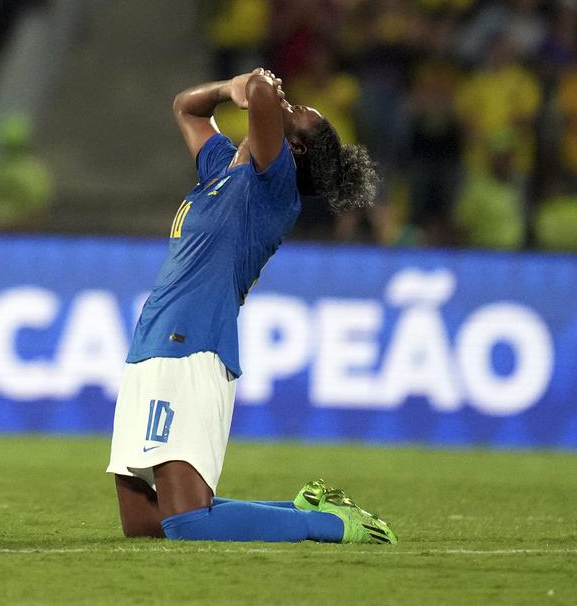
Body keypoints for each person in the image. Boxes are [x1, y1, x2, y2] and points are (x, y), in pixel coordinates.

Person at [107, 67, 396, 544]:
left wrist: (260, 86)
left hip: (193, 344)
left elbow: (260, 91)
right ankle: (301, 507)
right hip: (151, 343)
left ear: (294, 149)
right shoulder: (224, 167)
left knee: (187, 525)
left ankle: (331, 525)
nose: (285, 103)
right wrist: (227, 89)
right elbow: (187, 106)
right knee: (143, 523)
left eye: (294, 113)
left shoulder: (273, 188)